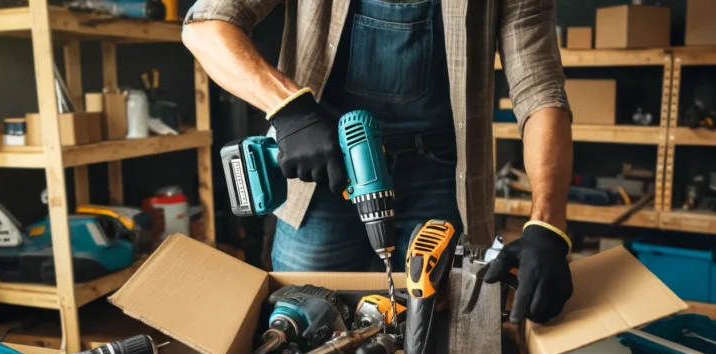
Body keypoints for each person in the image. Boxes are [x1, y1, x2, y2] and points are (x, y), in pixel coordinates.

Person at [183, 0, 575, 324]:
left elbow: (538, 88)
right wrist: (291, 112)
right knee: (301, 321)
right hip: (324, 171)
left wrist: (548, 226)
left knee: (443, 328)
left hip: (441, 177)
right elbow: (205, 25)